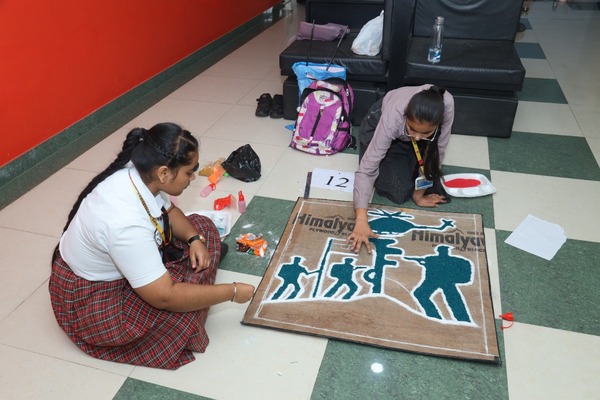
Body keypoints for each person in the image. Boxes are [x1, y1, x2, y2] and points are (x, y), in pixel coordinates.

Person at [49, 122, 255, 369]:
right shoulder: (126, 225)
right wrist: (231, 292)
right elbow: (164, 297)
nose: (192, 179)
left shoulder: (141, 173)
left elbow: (167, 210)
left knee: (202, 228)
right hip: (93, 301)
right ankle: (198, 297)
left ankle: (196, 284)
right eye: (189, 172)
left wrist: (193, 239)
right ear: (165, 173)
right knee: (180, 322)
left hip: (122, 264)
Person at [348, 84, 455, 253]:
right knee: (399, 193)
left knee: (427, 178)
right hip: (379, 123)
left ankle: (410, 152)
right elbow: (368, 168)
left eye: (426, 133)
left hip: (408, 132)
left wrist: (419, 195)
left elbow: (438, 149)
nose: (418, 137)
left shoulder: (446, 104)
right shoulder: (394, 117)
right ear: (406, 117)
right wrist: (361, 220)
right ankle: (404, 152)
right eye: (412, 129)